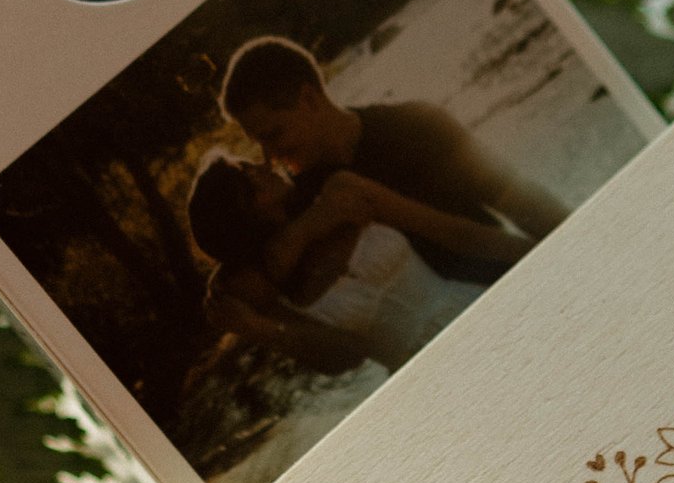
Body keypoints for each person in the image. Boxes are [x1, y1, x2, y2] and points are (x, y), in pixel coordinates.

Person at [216, 35, 570, 280]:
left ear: (308, 99)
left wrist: (576, 248)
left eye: (274, 134)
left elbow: (515, 198)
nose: (270, 156)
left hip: (511, 275)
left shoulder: (416, 123)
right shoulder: (302, 203)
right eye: (258, 144)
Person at [184, 145, 529, 378]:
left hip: (480, 311)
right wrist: (261, 330)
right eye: (248, 177)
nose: (263, 167)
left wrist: (538, 252)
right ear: (244, 217)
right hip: (427, 379)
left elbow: (458, 233)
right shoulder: (261, 287)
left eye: (249, 164)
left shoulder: (340, 193)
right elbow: (345, 358)